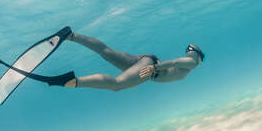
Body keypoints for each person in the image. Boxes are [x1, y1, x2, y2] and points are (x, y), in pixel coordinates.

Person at [49, 27, 205, 91]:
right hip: (149, 69)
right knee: (117, 85)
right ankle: (72, 81)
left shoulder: (190, 64)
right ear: (198, 56)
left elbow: (177, 63)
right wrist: (155, 68)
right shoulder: (192, 63)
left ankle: (70, 35)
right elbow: (176, 62)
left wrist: (153, 66)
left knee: (106, 52)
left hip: (146, 61)